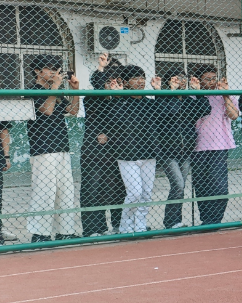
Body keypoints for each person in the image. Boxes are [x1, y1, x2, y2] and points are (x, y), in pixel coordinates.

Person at [98, 65, 160, 234]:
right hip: (127, 155)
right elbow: (113, 119)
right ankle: (125, 227)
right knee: (134, 193)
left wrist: (158, 91)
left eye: (142, 78)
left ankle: (140, 226)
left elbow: (164, 114)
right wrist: (117, 97)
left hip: (149, 154)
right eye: (135, 78)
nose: (140, 81)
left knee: (146, 194)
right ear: (125, 82)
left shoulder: (150, 103)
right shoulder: (119, 102)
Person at [26, 56, 80, 241]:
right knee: (44, 191)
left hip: (61, 146)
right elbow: (47, 110)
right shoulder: (32, 90)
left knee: (66, 191)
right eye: (49, 68)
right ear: (37, 71)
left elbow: (73, 111)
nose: (53, 72)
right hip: (43, 148)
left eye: (55, 69)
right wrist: (55, 86)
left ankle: (65, 232)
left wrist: (75, 91)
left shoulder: (54, 91)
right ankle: (39, 234)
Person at [81, 55, 126, 237]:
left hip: (117, 150)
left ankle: (118, 225)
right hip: (94, 151)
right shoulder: (93, 98)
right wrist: (100, 68)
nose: (113, 82)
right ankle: (93, 229)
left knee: (117, 189)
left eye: (117, 79)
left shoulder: (122, 98)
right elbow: (98, 86)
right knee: (93, 188)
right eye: (109, 79)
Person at [156, 71, 208, 230]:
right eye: (177, 78)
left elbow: (205, 109)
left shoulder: (188, 100)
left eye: (184, 78)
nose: (182, 81)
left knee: (180, 186)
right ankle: (171, 221)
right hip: (167, 151)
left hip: (186, 151)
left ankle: (175, 221)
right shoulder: (163, 98)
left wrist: (198, 92)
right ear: (169, 82)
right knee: (178, 184)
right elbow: (168, 112)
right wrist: (172, 92)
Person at [190, 65, 238, 226]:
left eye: (213, 78)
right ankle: (206, 219)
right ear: (199, 80)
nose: (211, 82)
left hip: (219, 145)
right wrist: (198, 92)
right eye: (207, 79)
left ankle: (216, 219)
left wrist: (225, 95)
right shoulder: (192, 95)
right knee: (201, 184)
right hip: (197, 146)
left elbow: (234, 115)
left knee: (219, 184)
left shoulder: (224, 95)